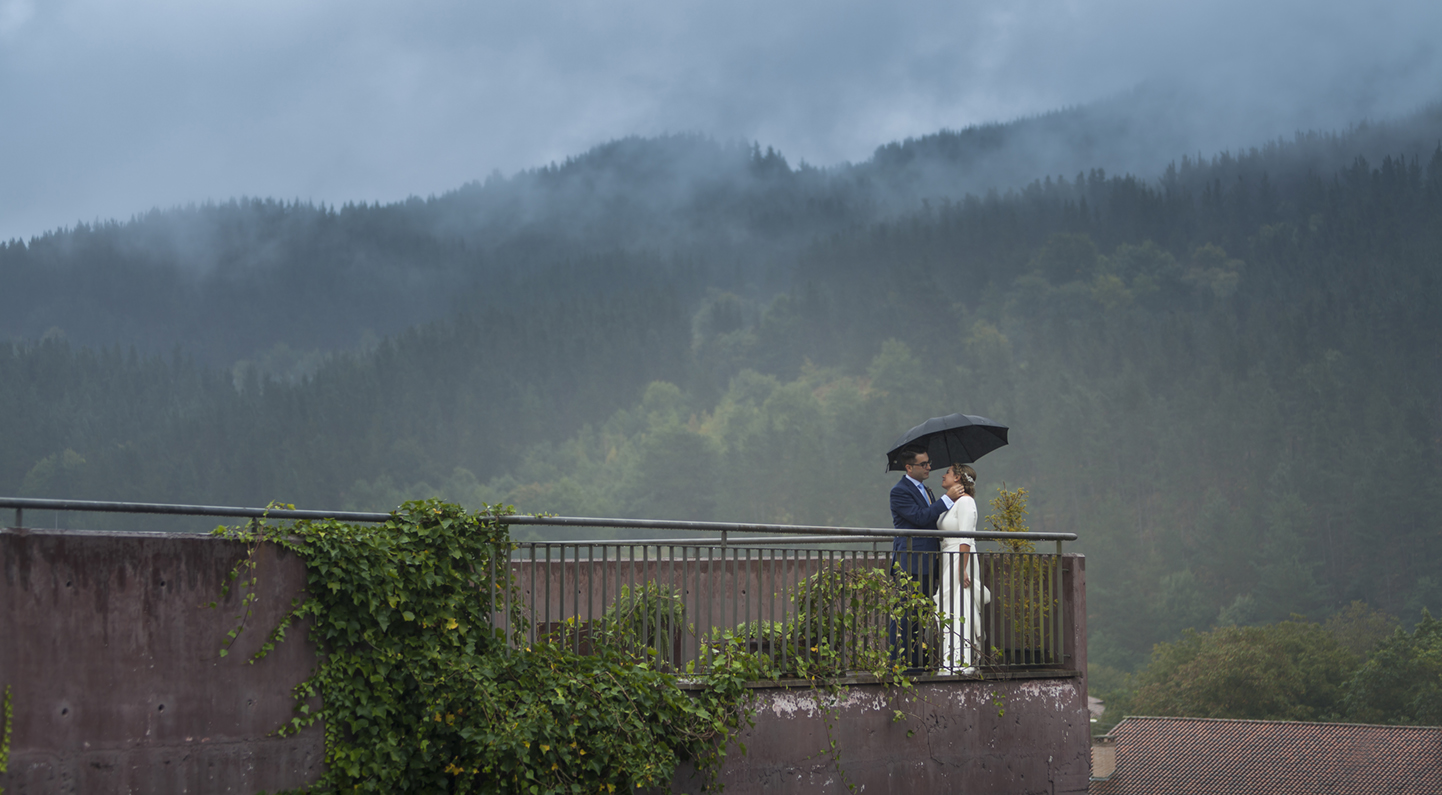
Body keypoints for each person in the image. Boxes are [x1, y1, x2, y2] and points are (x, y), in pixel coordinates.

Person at [889, 445, 965, 670]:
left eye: (929, 463)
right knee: (904, 613)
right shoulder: (899, 491)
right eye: (923, 464)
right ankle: (899, 663)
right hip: (910, 561)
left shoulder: (926, 489)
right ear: (909, 467)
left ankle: (915, 661)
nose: (929, 467)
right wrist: (946, 500)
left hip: (927, 561)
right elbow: (920, 518)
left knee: (920, 613)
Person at [935, 464, 983, 674]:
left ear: (957, 479)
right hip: (948, 557)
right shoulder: (952, 504)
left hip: (959, 559)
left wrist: (962, 567)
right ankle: (950, 658)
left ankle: (961, 660)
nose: (943, 475)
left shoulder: (966, 502)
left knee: (960, 606)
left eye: (948, 472)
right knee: (949, 608)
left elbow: (965, 536)